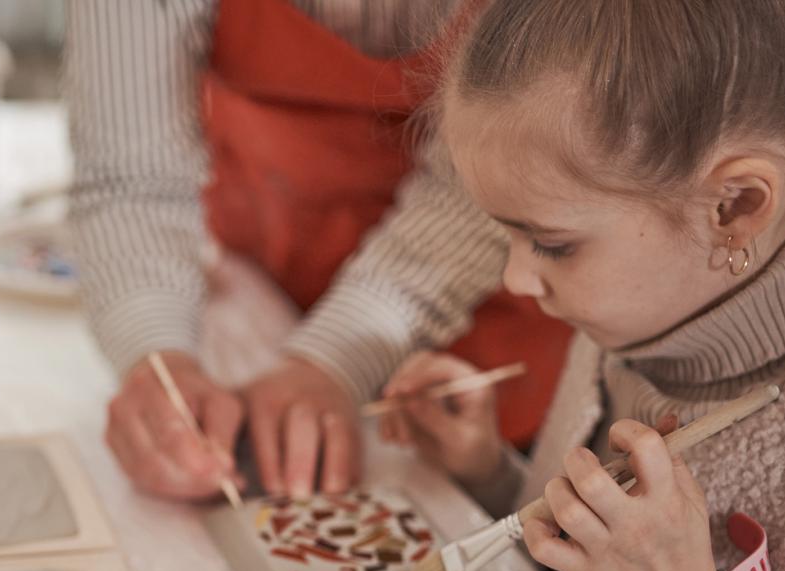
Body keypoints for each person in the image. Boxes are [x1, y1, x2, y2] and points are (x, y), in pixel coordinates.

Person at [383, 1, 785, 571]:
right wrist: (491, 473)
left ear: (735, 207)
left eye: (553, 244)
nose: (517, 281)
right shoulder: (633, 320)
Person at [64, 0, 572, 502]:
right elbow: (128, 179)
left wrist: (333, 357)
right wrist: (157, 356)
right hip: (263, 308)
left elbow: (488, 188)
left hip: (494, 347)